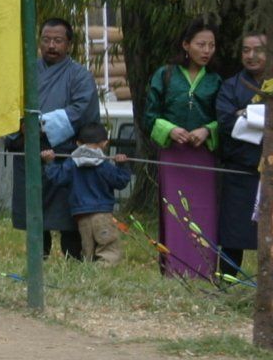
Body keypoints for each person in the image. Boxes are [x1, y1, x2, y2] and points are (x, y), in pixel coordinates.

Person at [8, 18, 99, 261]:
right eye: (46, 40)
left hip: (65, 155)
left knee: (68, 216)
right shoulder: (27, 72)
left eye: (58, 40)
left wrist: (39, 126)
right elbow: (11, 104)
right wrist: (20, 126)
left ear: (69, 44)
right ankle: (39, 260)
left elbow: (81, 110)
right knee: (35, 215)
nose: (51, 45)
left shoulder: (79, 75)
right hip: (30, 152)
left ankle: (75, 261)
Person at [146, 19, 223, 279]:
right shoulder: (164, 74)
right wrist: (169, 129)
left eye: (211, 45)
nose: (207, 50)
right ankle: (175, 270)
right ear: (186, 45)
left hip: (204, 156)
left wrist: (208, 130)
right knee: (175, 211)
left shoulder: (215, 80)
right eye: (201, 44)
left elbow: (224, 118)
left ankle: (204, 271)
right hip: (173, 155)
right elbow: (149, 115)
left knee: (204, 212)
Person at [217, 32, 270, 274]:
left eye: (257, 50)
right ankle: (227, 283)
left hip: (270, 171)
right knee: (232, 233)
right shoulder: (230, 85)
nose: (251, 56)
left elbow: (243, 119)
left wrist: (247, 114)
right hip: (240, 170)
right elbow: (227, 122)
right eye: (245, 50)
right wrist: (263, 119)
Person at [42, 123, 131, 265]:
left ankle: (89, 271)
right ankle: (103, 271)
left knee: (88, 249)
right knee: (108, 248)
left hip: (81, 216)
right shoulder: (103, 164)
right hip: (102, 214)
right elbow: (120, 181)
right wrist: (122, 165)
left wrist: (50, 162)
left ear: (78, 143)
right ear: (104, 143)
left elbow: (58, 178)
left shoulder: (71, 163)